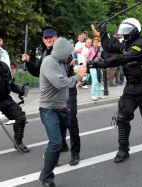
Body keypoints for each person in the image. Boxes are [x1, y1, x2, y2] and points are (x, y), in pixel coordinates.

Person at [89, 18, 142, 163]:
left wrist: (102, 63)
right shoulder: (124, 44)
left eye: (127, 32)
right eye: (123, 32)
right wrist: (103, 31)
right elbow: (108, 46)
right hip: (132, 87)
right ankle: (123, 149)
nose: (124, 35)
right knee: (122, 116)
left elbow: (125, 57)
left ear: (134, 31)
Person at [22, 29, 81, 166]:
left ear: (57, 38)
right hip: (54, 96)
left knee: (71, 122)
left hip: (67, 91)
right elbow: (39, 72)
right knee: (58, 122)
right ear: (43, 40)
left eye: (51, 37)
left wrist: (75, 68)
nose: (48, 40)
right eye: (45, 38)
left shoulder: (66, 53)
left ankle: (75, 153)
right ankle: (61, 146)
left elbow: (76, 67)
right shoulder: (45, 54)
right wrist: (29, 62)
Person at [38, 37, 84, 187]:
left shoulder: (60, 61)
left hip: (62, 107)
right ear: (62, 52)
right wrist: (78, 76)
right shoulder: (49, 62)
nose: (69, 55)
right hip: (49, 109)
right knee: (56, 142)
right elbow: (60, 82)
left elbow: (67, 70)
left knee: (69, 130)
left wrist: (75, 62)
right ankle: (46, 177)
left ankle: (69, 154)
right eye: (68, 52)